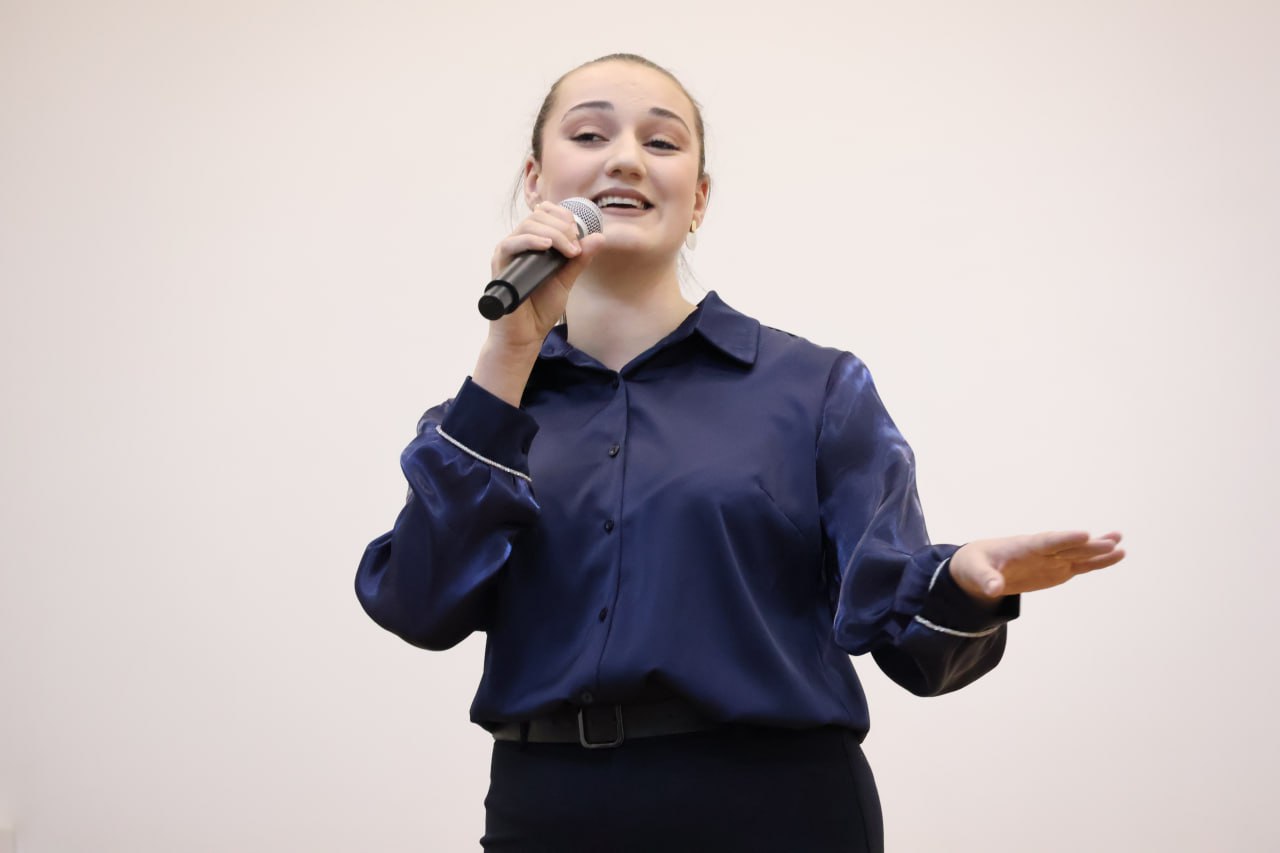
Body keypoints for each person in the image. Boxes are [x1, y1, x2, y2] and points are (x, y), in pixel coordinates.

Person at [354, 53, 1126, 853]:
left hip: (774, 810)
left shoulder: (814, 388)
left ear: (698, 199)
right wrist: (509, 352)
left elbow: (904, 630)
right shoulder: (484, 414)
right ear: (535, 181)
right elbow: (418, 604)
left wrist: (962, 584)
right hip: (546, 813)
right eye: (589, 135)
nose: (625, 158)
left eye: (661, 142)